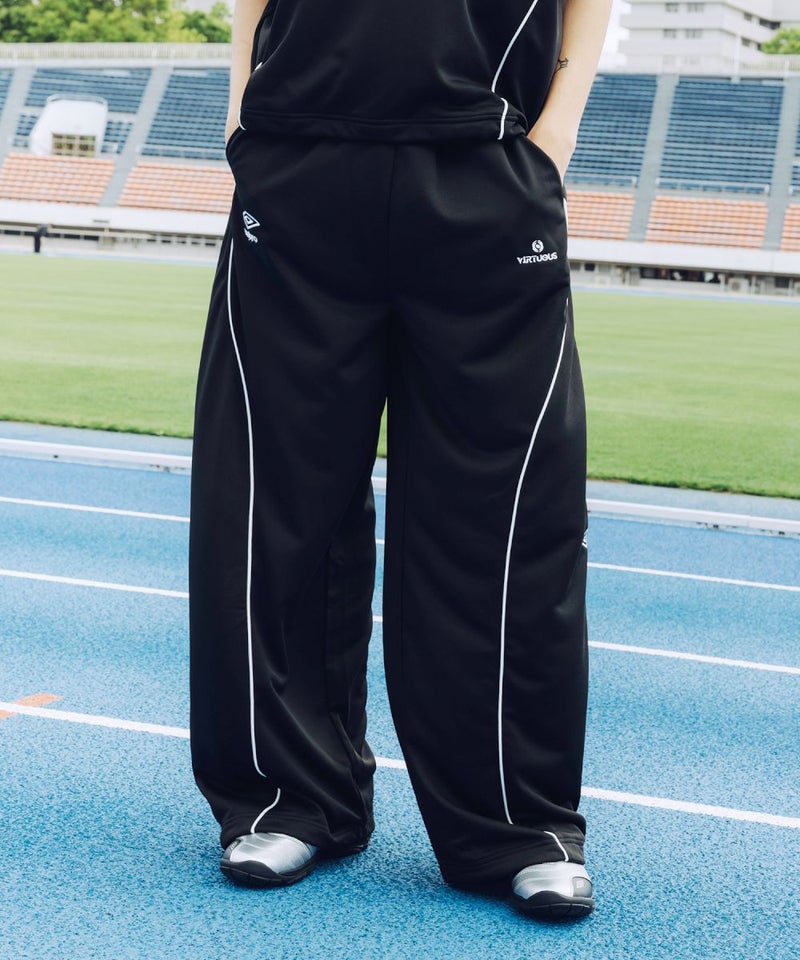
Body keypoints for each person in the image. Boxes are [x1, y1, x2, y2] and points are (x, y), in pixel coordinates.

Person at [189, 0, 612, 922]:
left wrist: (556, 133)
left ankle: (516, 826)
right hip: (295, 159)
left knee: (506, 523)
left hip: (488, 164)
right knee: (272, 508)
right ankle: (290, 797)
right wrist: (240, 109)